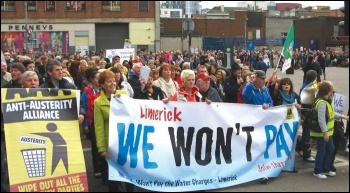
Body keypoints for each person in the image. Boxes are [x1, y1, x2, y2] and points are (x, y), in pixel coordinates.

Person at [94, 70, 134, 191]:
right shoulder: (98, 102)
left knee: (129, 176)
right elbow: (99, 127)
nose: (112, 83)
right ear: (102, 84)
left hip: (126, 141)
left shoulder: (123, 94)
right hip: (110, 145)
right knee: (114, 179)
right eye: (108, 81)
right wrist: (101, 149)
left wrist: (123, 99)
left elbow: (134, 111)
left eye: (113, 80)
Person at [311, 81, 349, 179]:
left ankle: (326, 169)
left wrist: (342, 116)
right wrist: (325, 133)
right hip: (323, 133)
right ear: (328, 91)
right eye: (331, 90)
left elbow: (332, 114)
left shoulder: (326, 101)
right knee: (322, 151)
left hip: (328, 132)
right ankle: (317, 170)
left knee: (330, 149)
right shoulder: (322, 103)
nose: (332, 91)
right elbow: (321, 119)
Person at [242, 70, 273, 183]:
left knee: (262, 146)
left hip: (263, 121)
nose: (264, 81)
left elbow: (270, 102)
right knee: (254, 146)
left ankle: (262, 170)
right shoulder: (250, 88)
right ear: (256, 79)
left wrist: (268, 105)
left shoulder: (265, 89)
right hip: (252, 121)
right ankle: (256, 170)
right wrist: (250, 83)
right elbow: (246, 96)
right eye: (261, 79)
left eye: (264, 79)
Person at [81, 67, 101, 179]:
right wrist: (85, 125)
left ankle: (104, 167)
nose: (99, 80)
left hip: (103, 122)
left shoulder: (104, 90)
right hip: (91, 122)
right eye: (97, 78)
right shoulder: (86, 92)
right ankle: (97, 169)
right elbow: (83, 107)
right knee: (95, 146)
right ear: (92, 80)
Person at [299, 70, 318, 162]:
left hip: (304, 114)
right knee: (307, 134)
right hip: (308, 115)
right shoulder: (309, 88)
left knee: (305, 134)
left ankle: (300, 148)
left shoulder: (306, 85)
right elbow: (309, 103)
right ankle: (307, 154)